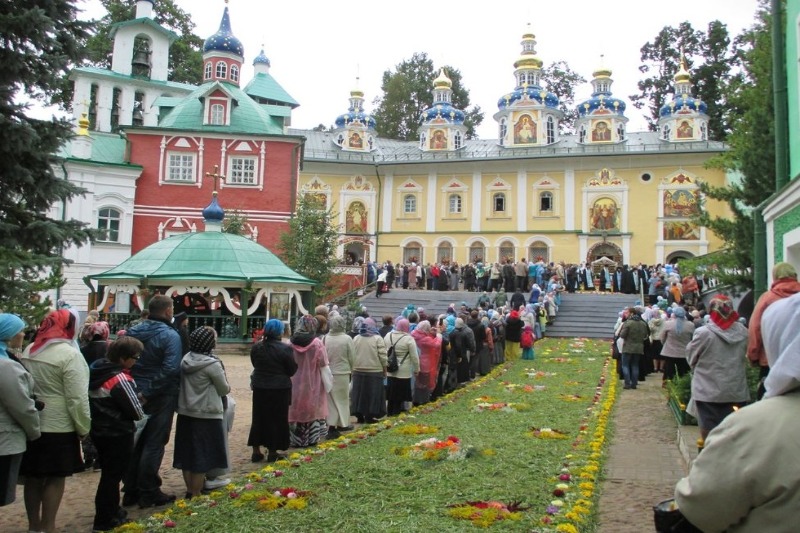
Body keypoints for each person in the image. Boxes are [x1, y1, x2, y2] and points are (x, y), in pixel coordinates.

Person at [673, 293, 800, 532]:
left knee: (712, 434)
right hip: (736, 388)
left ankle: (704, 462)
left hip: (709, 388)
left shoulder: (758, 425)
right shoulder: (740, 332)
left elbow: (701, 508)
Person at [19, 308, 91, 533]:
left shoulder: (31, 349)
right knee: (54, 477)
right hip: (59, 424)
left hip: (32, 420)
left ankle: (33, 526)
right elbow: (77, 398)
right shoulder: (70, 355)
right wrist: (83, 426)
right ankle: (48, 526)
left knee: (33, 477)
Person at [123, 295, 182, 508]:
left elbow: (122, 361)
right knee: (154, 442)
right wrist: (150, 391)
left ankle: (130, 489)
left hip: (133, 391)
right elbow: (170, 368)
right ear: (168, 311)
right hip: (160, 394)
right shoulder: (169, 335)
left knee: (134, 441)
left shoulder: (132, 331)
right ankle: (149, 490)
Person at [88, 336, 145, 531]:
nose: (136, 361)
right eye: (135, 357)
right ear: (123, 358)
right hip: (118, 432)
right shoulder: (119, 378)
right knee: (112, 477)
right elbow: (136, 411)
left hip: (99, 429)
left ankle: (112, 510)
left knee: (109, 475)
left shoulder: (97, 370)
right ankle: (105, 518)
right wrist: (141, 402)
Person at [173, 327, 230, 499]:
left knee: (187, 454)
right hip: (206, 414)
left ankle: (190, 490)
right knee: (202, 456)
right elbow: (223, 389)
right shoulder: (212, 364)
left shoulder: (185, 359)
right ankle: (197, 493)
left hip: (185, 411)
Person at [686, 295, 749, 441]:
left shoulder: (704, 333)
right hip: (735, 388)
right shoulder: (743, 332)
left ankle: (710, 456)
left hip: (707, 389)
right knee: (733, 429)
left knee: (709, 430)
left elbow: (691, 357)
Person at [0, 314, 40, 507]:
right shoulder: (6, 366)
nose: (23, 334)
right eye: (20, 330)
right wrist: (34, 431)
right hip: (4, 439)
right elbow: (21, 406)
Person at [746, 262, 800, 398]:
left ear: (775, 277)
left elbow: (755, 328)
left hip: (770, 361)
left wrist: (753, 355)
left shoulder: (767, 299)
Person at [248, 319, 297, 463]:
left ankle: (256, 451)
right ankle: (273, 451)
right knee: (276, 419)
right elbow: (291, 369)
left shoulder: (257, 348)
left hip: (260, 387)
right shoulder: (285, 349)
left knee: (258, 418)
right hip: (279, 388)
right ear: (279, 332)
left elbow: (254, 363)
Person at [288, 316, 330, 447]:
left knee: (295, 407)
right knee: (311, 407)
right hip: (312, 380)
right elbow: (323, 362)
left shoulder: (290, 343)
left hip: (294, 379)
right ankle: (311, 438)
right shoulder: (317, 343)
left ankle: (295, 439)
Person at [351, 317, 387, 424]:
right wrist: (384, 368)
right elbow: (383, 356)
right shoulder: (377, 338)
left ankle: (359, 415)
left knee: (358, 394)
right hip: (374, 371)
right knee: (372, 394)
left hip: (358, 370)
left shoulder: (356, 338)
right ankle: (370, 415)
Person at [323, 315, 355, 436]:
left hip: (328, 373)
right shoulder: (347, 339)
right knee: (342, 400)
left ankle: (331, 425)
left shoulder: (325, 338)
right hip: (342, 373)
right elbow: (352, 357)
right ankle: (342, 424)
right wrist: (352, 369)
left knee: (331, 401)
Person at [384, 319, 420, 416]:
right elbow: (414, 356)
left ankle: (389, 412)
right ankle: (396, 413)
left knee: (391, 393)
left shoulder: (388, 336)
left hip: (390, 368)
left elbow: (384, 351)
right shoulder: (409, 339)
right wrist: (417, 369)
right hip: (403, 371)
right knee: (399, 394)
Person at [659, 306, 695, 382]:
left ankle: (669, 385)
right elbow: (692, 339)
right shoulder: (691, 325)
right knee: (683, 373)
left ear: (674, 314)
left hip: (670, 352)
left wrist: (666, 344)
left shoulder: (668, 324)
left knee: (670, 372)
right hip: (684, 353)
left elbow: (662, 338)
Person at [411, 320, 442, 405]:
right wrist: (439, 335)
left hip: (416, 361)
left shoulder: (414, 334)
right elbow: (436, 344)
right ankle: (423, 400)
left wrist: (431, 333)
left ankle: (415, 399)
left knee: (417, 382)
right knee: (425, 383)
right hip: (425, 363)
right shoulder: (425, 339)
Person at [618, 307, 650, 390]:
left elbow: (622, 335)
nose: (625, 314)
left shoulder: (628, 323)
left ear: (632, 313)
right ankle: (634, 383)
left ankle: (627, 383)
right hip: (639, 347)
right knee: (635, 365)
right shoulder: (643, 323)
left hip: (628, 346)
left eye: (627, 313)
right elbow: (645, 335)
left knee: (625, 365)